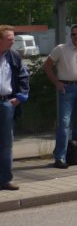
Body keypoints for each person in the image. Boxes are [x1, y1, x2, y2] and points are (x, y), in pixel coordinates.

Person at [44, 23, 77, 169]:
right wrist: (57, 82)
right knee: (64, 123)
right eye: (73, 34)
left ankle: (76, 153)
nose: (76, 37)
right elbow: (47, 66)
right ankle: (60, 157)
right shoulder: (61, 49)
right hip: (66, 89)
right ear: (70, 35)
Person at [0, 25, 30, 191]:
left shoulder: (14, 56)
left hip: (6, 104)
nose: (13, 41)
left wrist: (21, 96)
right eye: (9, 39)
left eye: (13, 38)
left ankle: (5, 180)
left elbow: (24, 76)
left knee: (6, 143)